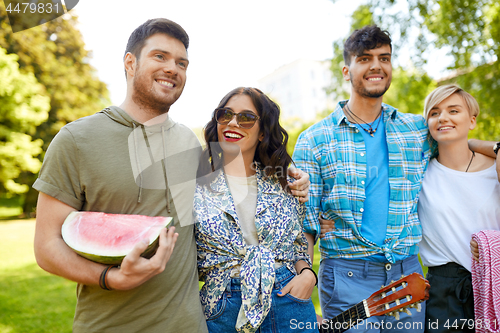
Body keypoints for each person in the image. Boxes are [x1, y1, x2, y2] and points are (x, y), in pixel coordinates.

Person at [32, 19, 310, 332]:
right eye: (160, 57)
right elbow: (46, 247)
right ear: (130, 62)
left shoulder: (189, 144)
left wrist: (289, 173)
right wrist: (110, 277)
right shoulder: (75, 139)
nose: (172, 69)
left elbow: (241, 176)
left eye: (182, 63)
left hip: (191, 323)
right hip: (109, 324)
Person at [293, 25, 429, 332]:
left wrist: (495, 147)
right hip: (346, 278)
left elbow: (457, 140)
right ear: (347, 70)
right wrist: (304, 270)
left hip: (406, 276)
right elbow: (306, 220)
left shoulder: (416, 130)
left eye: (384, 58)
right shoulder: (315, 140)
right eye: (365, 58)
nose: (376, 66)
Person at [194, 87, 319, 333]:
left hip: (288, 300)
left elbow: (297, 247)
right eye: (225, 114)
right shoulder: (195, 187)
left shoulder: (287, 183)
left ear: (262, 133)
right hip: (222, 308)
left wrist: (307, 276)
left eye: (246, 118)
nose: (232, 122)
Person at [417, 85, 500, 333]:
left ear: (472, 120)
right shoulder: (418, 176)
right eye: (434, 112)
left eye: (454, 110)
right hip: (444, 295)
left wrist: (492, 243)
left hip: (495, 283)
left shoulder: (495, 169)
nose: (443, 117)